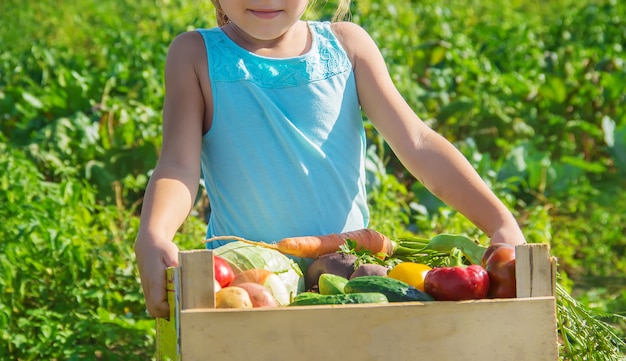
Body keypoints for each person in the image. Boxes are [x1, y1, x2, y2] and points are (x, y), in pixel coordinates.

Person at [135, 0, 527, 318]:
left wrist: (499, 221)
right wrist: (153, 234)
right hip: (247, 287)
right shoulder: (195, 55)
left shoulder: (346, 47)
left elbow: (418, 144)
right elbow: (178, 165)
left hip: (352, 277)